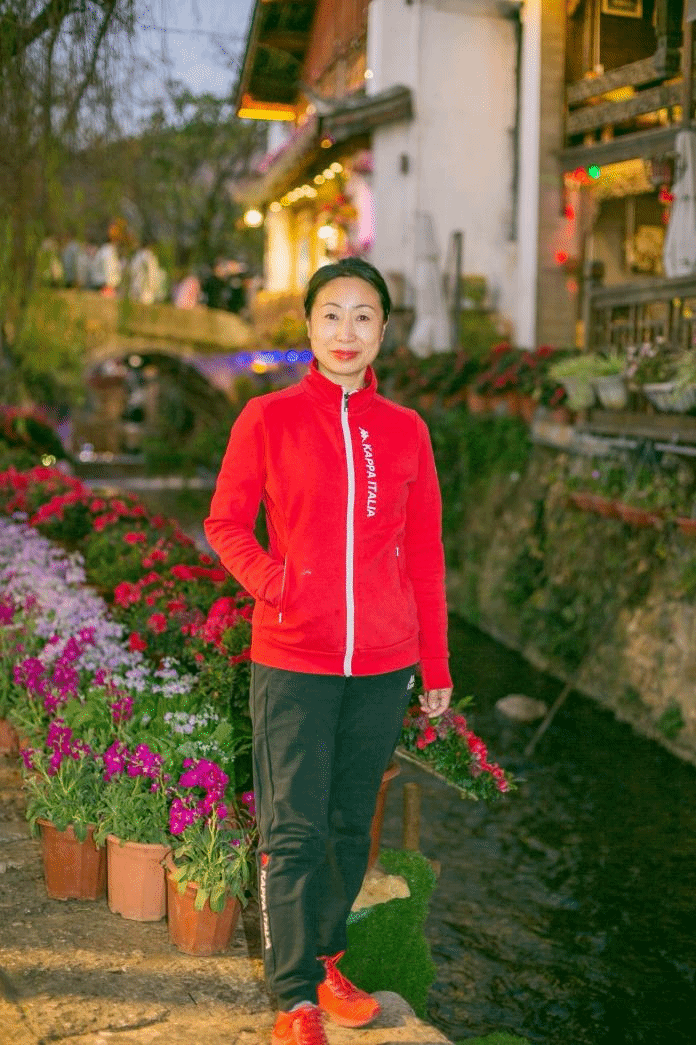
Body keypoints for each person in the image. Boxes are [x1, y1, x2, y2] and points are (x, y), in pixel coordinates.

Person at [204, 257, 453, 1045]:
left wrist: (436, 662)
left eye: (364, 316)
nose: (347, 331)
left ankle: (324, 961)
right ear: (309, 326)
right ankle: (293, 997)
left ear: (383, 330)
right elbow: (225, 523)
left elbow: (425, 554)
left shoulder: (407, 431)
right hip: (293, 661)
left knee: (349, 826)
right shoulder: (267, 417)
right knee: (293, 831)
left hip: (382, 664)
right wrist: (274, 583)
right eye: (332, 315)